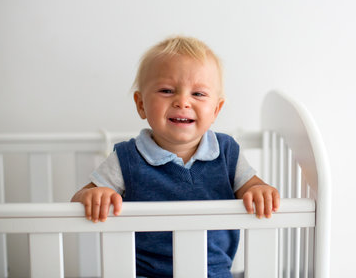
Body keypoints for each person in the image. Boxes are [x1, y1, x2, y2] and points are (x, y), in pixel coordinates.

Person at [71, 35, 280, 278]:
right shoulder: (127, 157)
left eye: (199, 94)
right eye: (166, 91)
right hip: (142, 273)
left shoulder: (227, 152)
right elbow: (78, 201)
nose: (182, 101)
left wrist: (258, 190)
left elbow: (252, 186)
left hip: (213, 272)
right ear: (141, 104)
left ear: (216, 110)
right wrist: (94, 195)